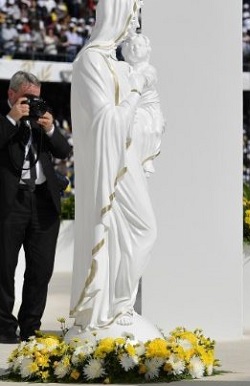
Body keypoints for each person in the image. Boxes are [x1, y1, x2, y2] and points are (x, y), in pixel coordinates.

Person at [70, 0, 158, 331]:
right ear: (116, 15)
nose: (135, 24)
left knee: (143, 230)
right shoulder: (90, 61)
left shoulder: (113, 63)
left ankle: (122, 305)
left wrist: (141, 87)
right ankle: (113, 308)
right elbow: (105, 121)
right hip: (110, 167)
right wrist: (136, 87)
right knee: (143, 228)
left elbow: (140, 114)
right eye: (131, 14)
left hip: (125, 159)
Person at [0, 70, 72, 343]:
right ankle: (4, 328)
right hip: (10, 202)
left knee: (40, 269)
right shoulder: (4, 118)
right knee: (4, 268)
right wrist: (11, 119)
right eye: (27, 98)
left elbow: (64, 151)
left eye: (37, 98)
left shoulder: (41, 122)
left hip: (43, 201)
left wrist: (51, 128)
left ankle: (31, 327)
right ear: (12, 94)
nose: (32, 103)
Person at [120, 32, 165, 177]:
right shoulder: (124, 68)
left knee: (153, 127)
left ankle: (147, 158)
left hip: (147, 104)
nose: (135, 48)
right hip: (130, 103)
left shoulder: (147, 68)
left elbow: (149, 78)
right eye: (132, 46)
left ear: (146, 49)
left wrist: (139, 80)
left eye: (139, 46)